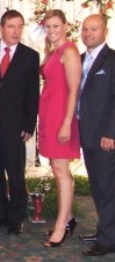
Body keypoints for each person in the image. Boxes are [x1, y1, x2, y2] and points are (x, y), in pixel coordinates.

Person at [0, 9, 40, 235]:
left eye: (20, 26)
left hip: (15, 125)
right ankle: (0, 214)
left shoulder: (30, 56)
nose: (16, 31)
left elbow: (33, 93)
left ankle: (16, 219)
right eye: (11, 26)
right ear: (2, 28)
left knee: (15, 174)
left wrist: (29, 124)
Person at [39, 9, 81, 248]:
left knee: (61, 171)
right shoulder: (53, 51)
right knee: (59, 170)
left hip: (61, 116)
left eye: (56, 26)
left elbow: (74, 90)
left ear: (65, 26)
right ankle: (68, 218)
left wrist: (66, 122)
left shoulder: (70, 51)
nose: (52, 30)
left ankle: (61, 227)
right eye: (49, 27)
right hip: (50, 112)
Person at [78, 14, 115, 256]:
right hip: (86, 135)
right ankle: (105, 229)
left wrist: (110, 132)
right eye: (85, 29)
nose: (88, 33)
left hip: (105, 137)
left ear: (105, 31)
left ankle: (108, 240)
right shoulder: (80, 59)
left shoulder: (112, 60)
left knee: (107, 188)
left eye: (94, 29)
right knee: (98, 186)